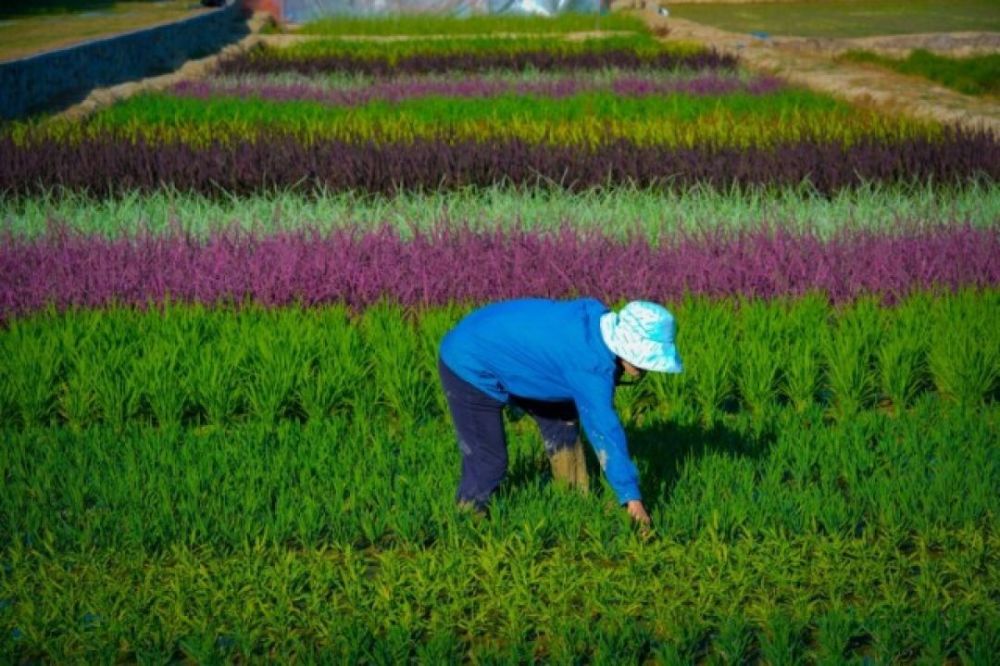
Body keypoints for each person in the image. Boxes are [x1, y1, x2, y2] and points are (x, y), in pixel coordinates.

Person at [438, 297, 683, 525]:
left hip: (523, 357)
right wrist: (633, 499)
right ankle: (467, 520)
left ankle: (572, 499)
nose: (647, 369)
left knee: (563, 421)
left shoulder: (598, 324)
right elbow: (606, 432)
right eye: (646, 360)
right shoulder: (589, 367)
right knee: (489, 460)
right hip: (468, 361)